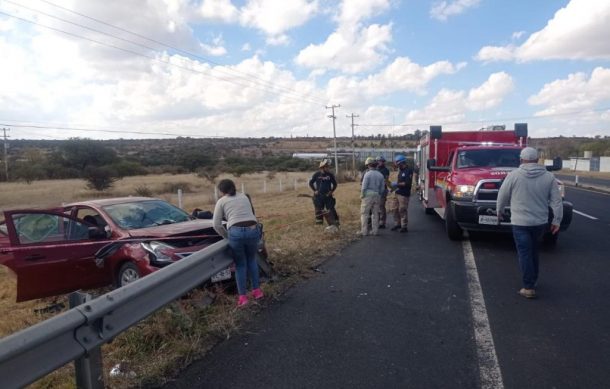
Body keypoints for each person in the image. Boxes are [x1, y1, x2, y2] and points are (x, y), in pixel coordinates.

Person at [496, 147, 563, 299]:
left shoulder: (513, 175)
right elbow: (556, 201)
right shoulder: (548, 177)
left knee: (524, 253)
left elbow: (502, 195)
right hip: (539, 222)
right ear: (538, 160)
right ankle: (533, 279)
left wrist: (499, 211)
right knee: (533, 251)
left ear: (521, 159)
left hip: (520, 222)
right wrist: (556, 220)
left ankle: (528, 287)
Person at [213, 179, 264, 307]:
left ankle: (243, 297)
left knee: (240, 264)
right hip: (253, 229)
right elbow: (252, 214)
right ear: (234, 187)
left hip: (236, 233)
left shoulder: (221, 201)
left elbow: (216, 225)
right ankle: (257, 291)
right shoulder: (245, 197)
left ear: (221, 191)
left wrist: (227, 236)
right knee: (252, 260)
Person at [360, 157, 386, 236]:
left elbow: (364, 187)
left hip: (368, 196)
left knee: (365, 213)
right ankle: (375, 231)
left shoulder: (367, 174)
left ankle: (364, 231)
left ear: (368, 165)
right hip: (377, 195)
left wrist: (362, 195)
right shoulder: (380, 175)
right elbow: (382, 188)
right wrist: (379, 194)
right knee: (375, 214)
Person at [308, 159, 339, 226]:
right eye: (326, 166)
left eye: (328, 166)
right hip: (319, 197)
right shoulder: (316, 174)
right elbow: (310, 183)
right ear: (322, 167)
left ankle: (335, 225)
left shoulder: (330, 175)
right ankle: (319, 225)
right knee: (318, 212)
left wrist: (331, 191)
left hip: (328, 196)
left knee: (331, 210)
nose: (328, 168)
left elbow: (335, 184)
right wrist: (315, 190)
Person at [391, 155, 415, 232]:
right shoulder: (400, 170)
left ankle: (404, 226)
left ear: (401, 162)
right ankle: (397, 224)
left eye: (397, 164)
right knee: (394, 209)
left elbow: (407, 183)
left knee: (402, 209)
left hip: (404, 194)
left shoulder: (408, 171)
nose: (397, 165)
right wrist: (393, 188)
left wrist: (397, 184)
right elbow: (399, 182)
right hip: (397, 192)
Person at [376, 156, 391, 229]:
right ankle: (376, 221)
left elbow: (386, 180)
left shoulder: (385, 170)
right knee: (376, 206)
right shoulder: (375, 169)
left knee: (381, 206)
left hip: (382, 190)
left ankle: (382, 222)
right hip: (375, 190)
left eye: (380, 161)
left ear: (383, 162)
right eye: (378, 161)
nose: (379, 162)